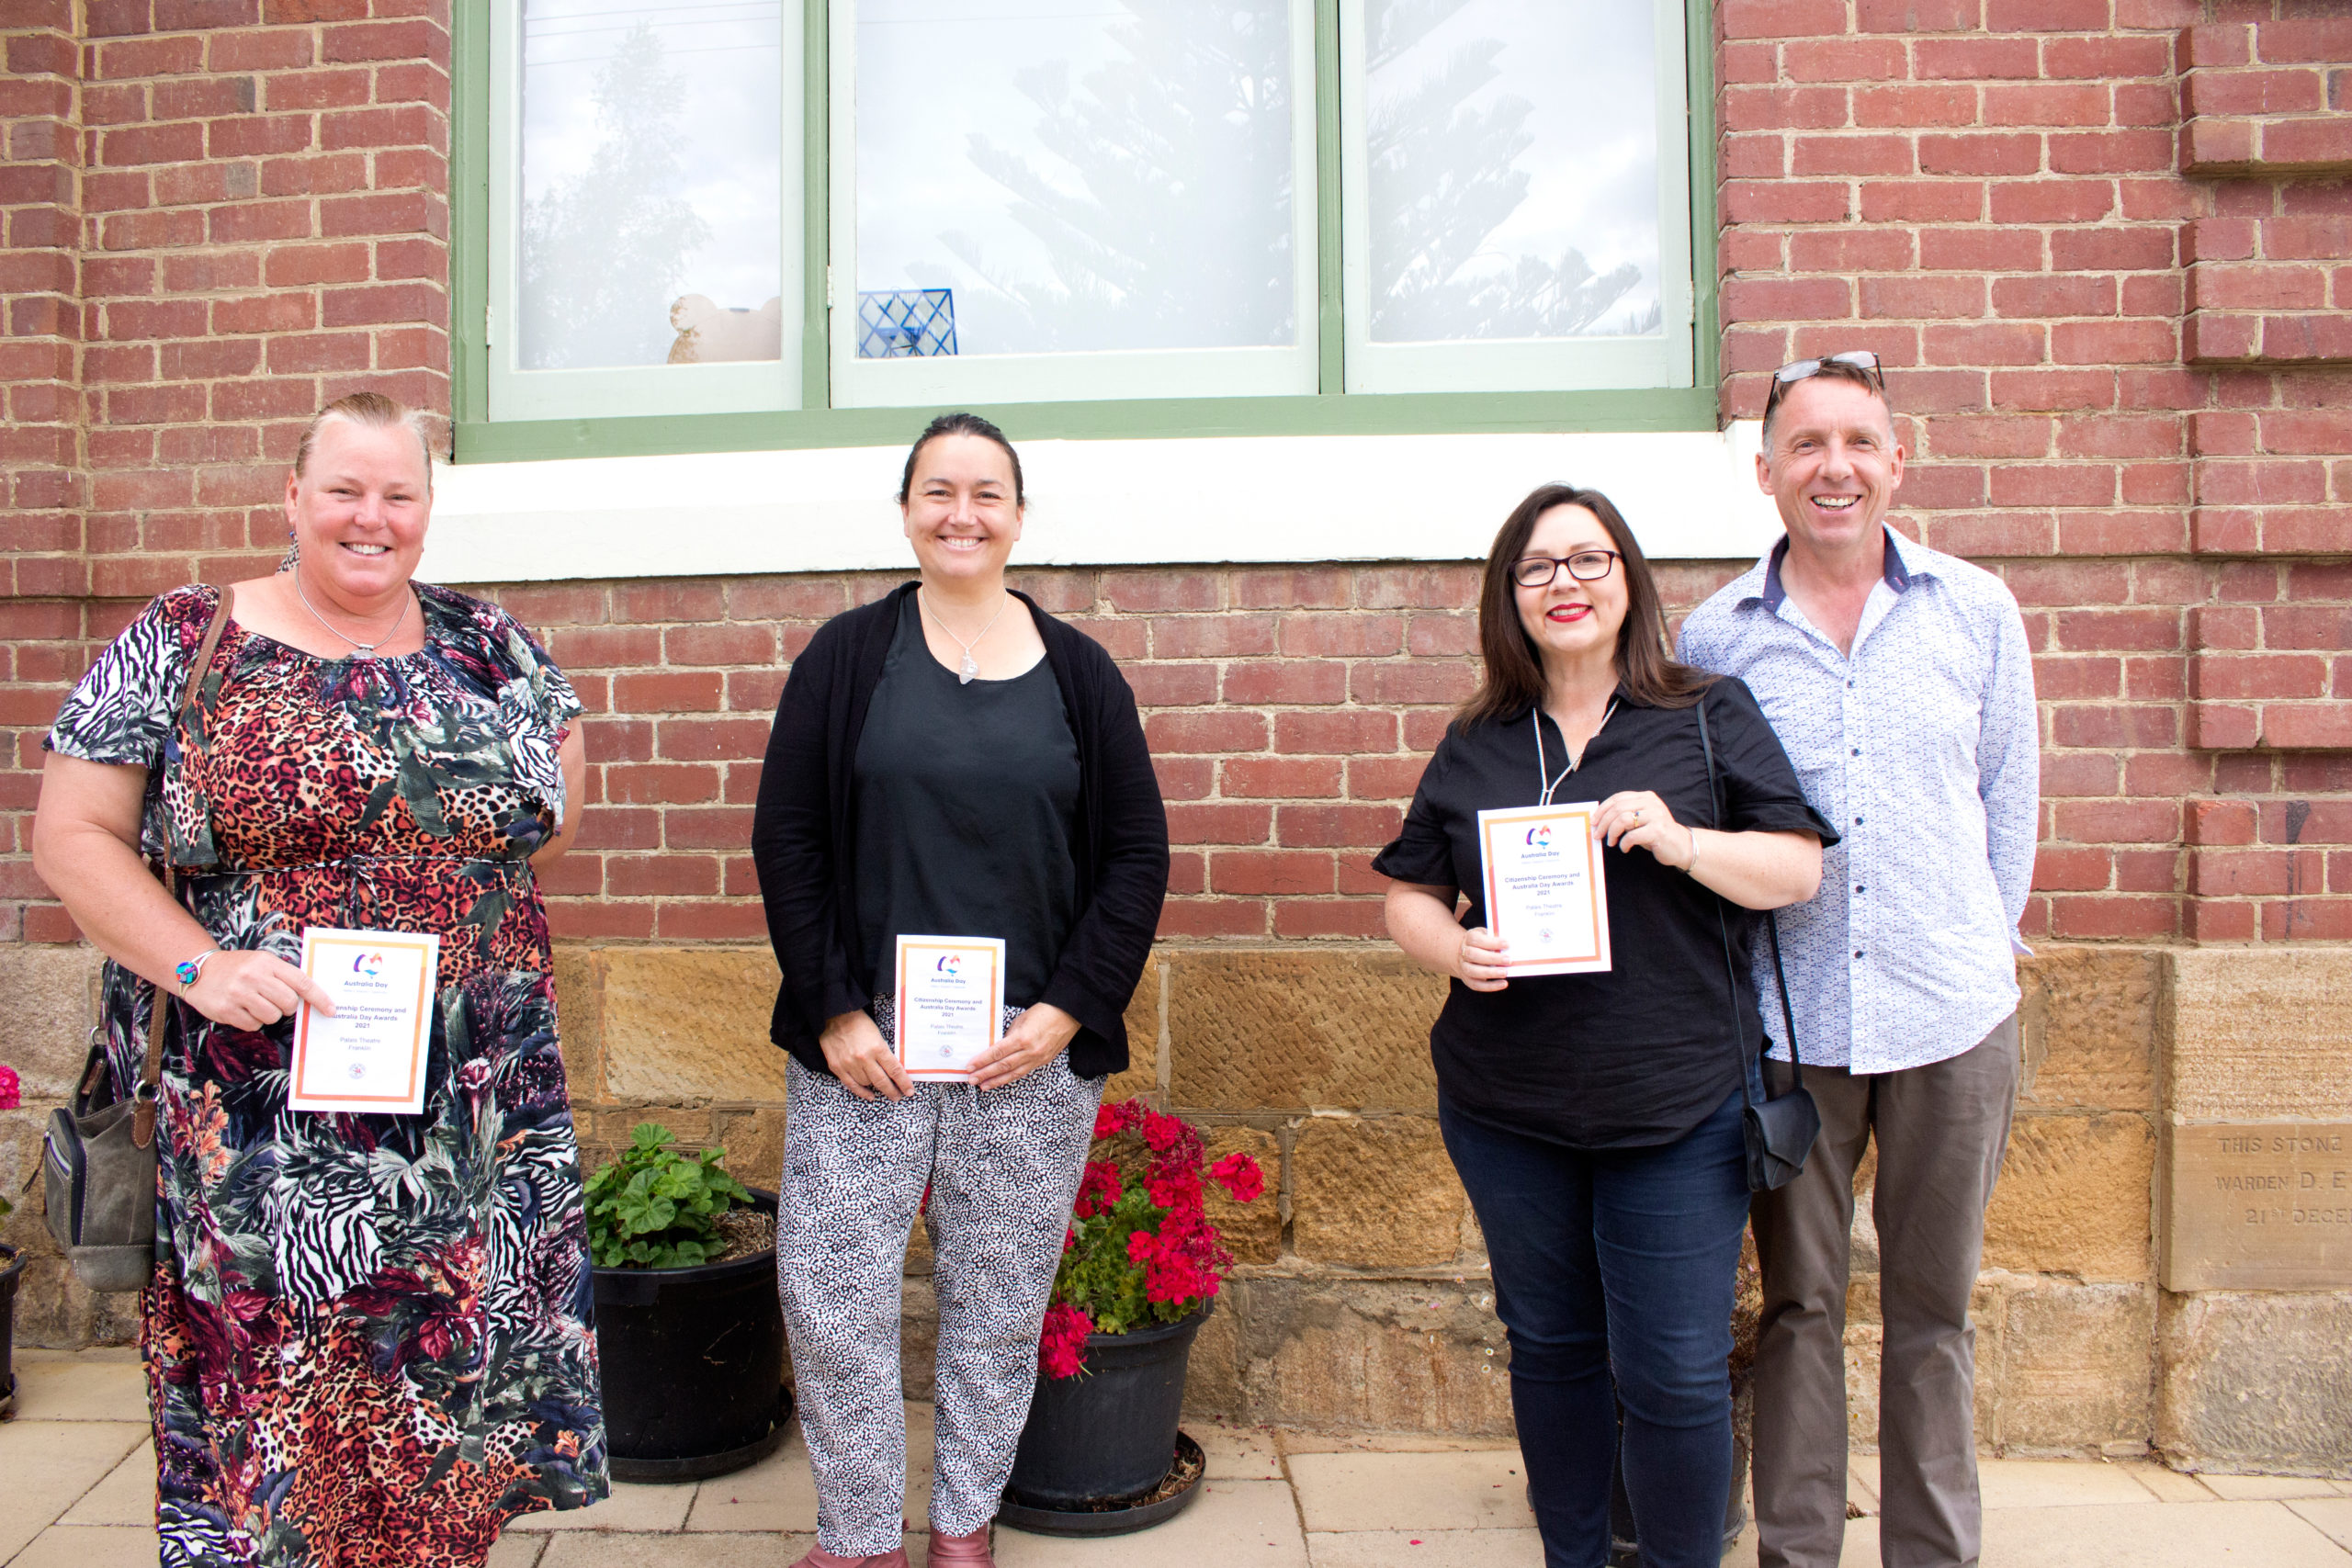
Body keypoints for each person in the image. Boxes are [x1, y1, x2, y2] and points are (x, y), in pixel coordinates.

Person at [30, 391, 606, 1565]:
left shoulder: (491, 643)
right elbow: (73, 834)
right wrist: (200, 963)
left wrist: (430, 920)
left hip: (473, 1109)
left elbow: (555, 810)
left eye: (399, 494)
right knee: (283, 1402)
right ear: (292, 498)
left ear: (428, 512)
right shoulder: (188, 637)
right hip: (265, 1112)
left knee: (451, 1393)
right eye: (344, 489)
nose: (370, 517)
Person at [1375, 483, 1836, 1568]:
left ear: (1627, 580)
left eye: (1587, 561)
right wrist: (1452, 947)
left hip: (1677, 1106)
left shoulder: (1705, 715)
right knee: (1550, 1349)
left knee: (1673, 1370)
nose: (1564, 585)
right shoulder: (1479, 739)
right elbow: (1406, 893)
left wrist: (1681, 843)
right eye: (1537, 568)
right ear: (1509, 598)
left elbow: (1797, 870)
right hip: (1507, 1106)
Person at [750, 412, 1169, 1568]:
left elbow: (1136, 854)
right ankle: (858, 1537)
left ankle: (961, 1529)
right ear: (905, 511)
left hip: (1024, 1049)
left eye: (987, 493)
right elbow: (786, 839)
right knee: (833, 1303)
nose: (962, 513)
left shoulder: (1081, 674)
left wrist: (1071, 1007)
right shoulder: (845, 659)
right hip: (866, 1048)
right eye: (938, 490)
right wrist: (834, 1008)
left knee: (997, 1305)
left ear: (1019, 517)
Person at [1678, 351, 2040, 1568]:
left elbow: (2009, 796)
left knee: (1935, 1317)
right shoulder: (1716, 635)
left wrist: (1992, 947)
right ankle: (1800, 1550)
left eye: (1859, 441)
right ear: (1768, 470)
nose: (1835, 466)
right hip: (1793, 1030)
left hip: (1952, 1018)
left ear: (1898, 460)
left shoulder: (1977, 609)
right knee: (1799, 1310)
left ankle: (1934, 1552)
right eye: (1809, 444)